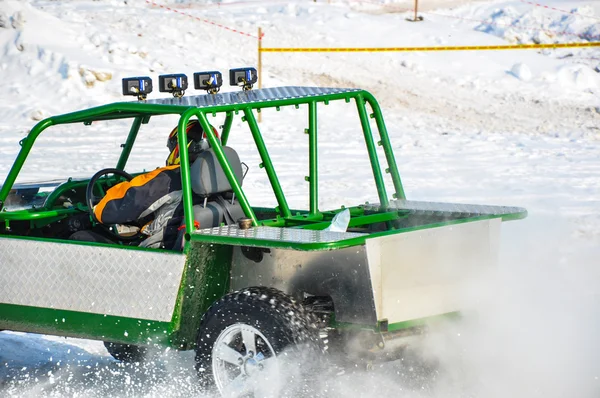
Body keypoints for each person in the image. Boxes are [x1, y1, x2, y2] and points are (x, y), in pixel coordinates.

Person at [81, 120, 218, 249]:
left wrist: (97, 208)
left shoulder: (170, 178)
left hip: (157, 248)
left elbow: (112, 209)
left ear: (181, 147)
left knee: (79, 237)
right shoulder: (218, 178)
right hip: (178, 240)